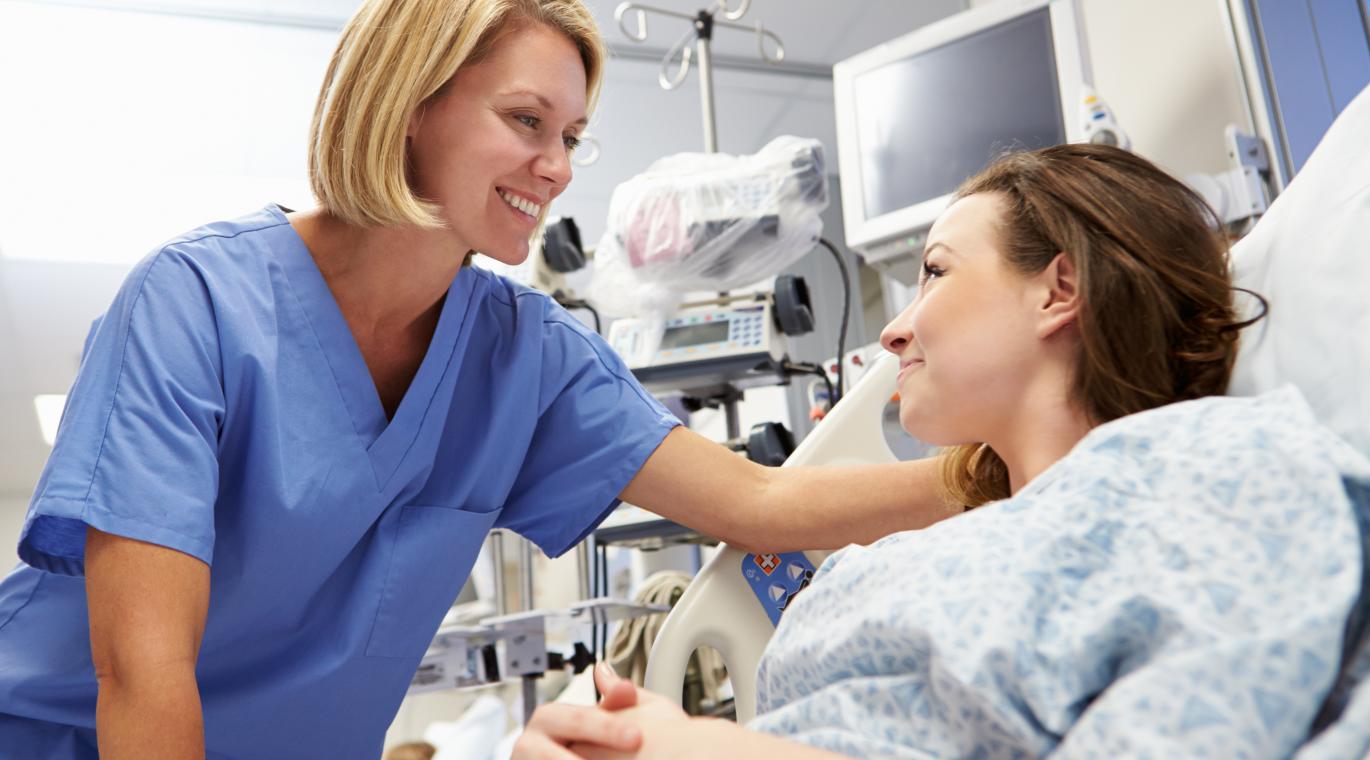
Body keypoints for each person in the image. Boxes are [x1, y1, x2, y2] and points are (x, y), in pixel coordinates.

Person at [0, 1, 955, 758]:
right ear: (412, 105)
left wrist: (1014, 467)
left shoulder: (525, 355)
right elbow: (143, 671)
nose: (558, 168)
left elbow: (759, 504)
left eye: (573, 136)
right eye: (526, 121)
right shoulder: (197, 303)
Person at [515, 145, 1370, 758]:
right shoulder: (898, 562)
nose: (892, 330)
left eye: (934, 270)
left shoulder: (1216, 473)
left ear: (1059, 289)